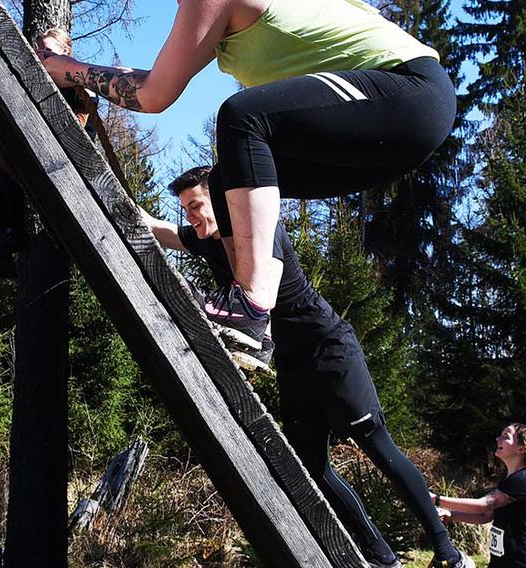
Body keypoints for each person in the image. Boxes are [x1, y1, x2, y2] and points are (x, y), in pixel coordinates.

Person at [38, 0, 456, 355]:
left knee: (243, 117)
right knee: (226, 181)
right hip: (394, 131)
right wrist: (79, 70)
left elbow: (153, 95)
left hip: (411, 92)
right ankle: (255, 325)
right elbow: (150, 80)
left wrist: (65, 68)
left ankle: (251, 306)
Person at [142, 166, 472, 568]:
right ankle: (382, 558)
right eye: (186, 209)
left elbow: (267, 291)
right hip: (293, 365)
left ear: (221, 202)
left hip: (330, 350)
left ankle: (448, 554)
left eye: (196, 206)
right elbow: (159, 229)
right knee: (311, 468)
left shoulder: (261, 232)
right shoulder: (205, 239)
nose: (190, 216)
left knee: (377, 447)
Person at [0, 28, 97, 278]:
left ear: (65, 51)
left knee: (15, 177)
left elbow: (78, 124)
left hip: (72, 155)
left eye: (48, 51)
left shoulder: (78, 81)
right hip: (46, 148)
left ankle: (26, 237)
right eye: (39, 52)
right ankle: (7, 250)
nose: (43, 56)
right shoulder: (38, 81)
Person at [431, 424, 526, 568]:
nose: (498, 439)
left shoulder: (525, 479)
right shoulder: (509, 479)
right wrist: (451, 515)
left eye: (506, 437)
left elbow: (484, 505)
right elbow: (486, 516)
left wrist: (438, 500)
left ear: (522, 448)